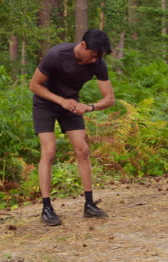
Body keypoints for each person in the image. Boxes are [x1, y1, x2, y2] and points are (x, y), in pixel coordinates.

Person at [29, 29, 115, 226]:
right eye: (93, 55)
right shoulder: (56, 55)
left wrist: (90, 107)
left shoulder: (98, 64)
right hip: (45, 104)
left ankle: (89, 204)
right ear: (83, 45)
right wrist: (60, 100)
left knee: (83, 149)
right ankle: (46, 207)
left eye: (98, 57)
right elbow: (34, 85)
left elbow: (110, 99)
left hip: (71, 106)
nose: (94, 60)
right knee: (49, 151)